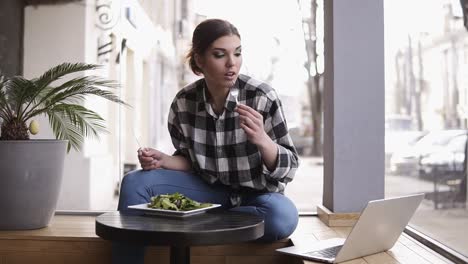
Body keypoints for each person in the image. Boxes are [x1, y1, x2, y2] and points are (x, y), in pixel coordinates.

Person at [113, 18, 300, 263]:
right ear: (200, 60)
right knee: (134, 183)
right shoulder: (184, 102)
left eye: (237, 53)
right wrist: (165, 160)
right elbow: (191, 162)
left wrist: (263, 140)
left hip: (257, 197)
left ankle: (197, 221)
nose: (232, 63)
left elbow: (290, 168)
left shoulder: (262, 97)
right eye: (220, 55)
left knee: (281, 216)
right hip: (207, 192)